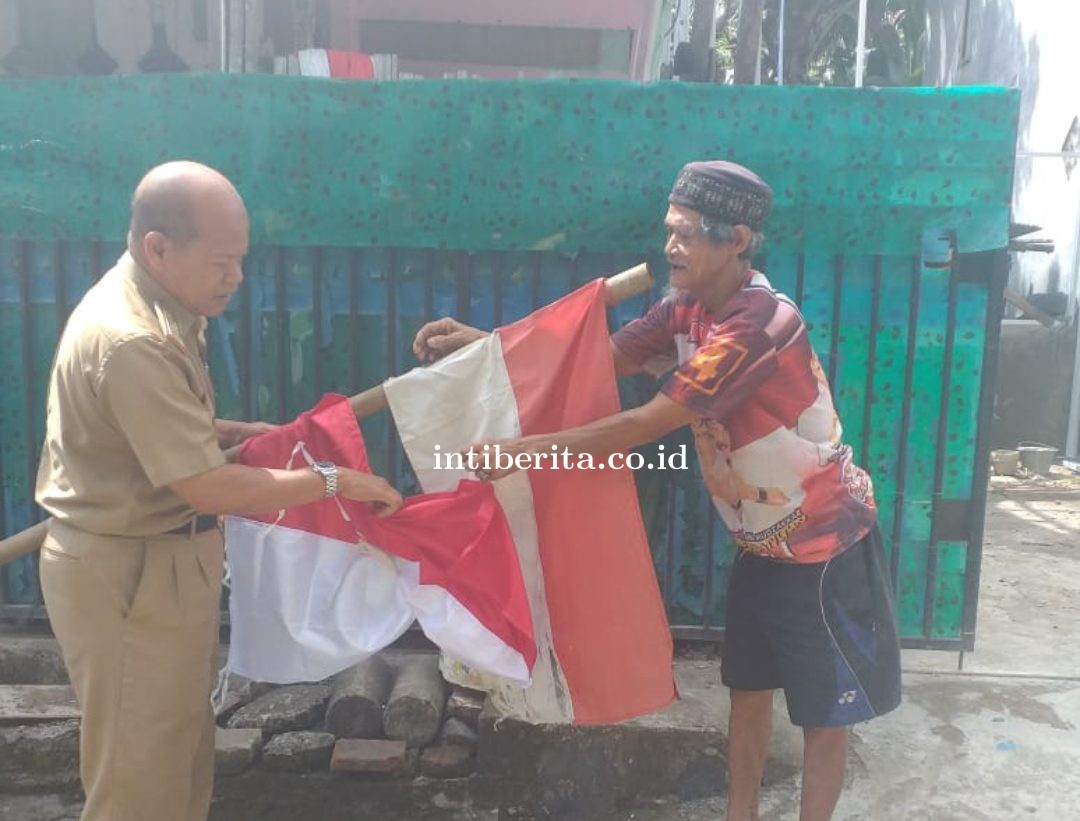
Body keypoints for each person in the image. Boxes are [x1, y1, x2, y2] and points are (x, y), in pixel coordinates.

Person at [412, 160, 901, 821]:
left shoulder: (759, 323)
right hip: (762, 545)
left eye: (690, 233)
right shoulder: (686, 312)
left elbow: (644, 424)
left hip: (823, 543)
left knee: (822, 712)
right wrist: (480, 348)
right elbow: (592, 359)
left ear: (736, 240)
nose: (672, 246)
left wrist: (519, 454)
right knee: (748, 692)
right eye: (669, 230)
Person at [35, 161, 402, 821]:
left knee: (179, 754)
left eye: (241, 259)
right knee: (136, 780)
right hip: (130, 575)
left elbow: (166, 426)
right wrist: (332, 481)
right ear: (159, 247)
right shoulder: (133, 340)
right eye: (222, 261)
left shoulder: (165, 305)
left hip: (162, 563)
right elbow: (204, 485)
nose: (236, 276)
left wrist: (243, 430)